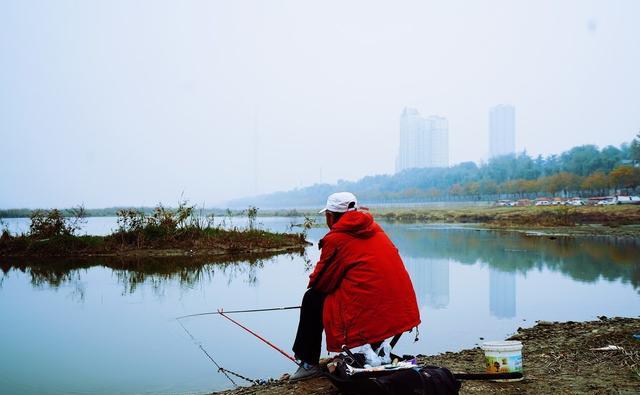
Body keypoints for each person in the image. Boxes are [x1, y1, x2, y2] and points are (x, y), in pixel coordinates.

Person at [290, 192, 421, 381]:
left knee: (312, 298)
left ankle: (308, 363)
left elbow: (320, 283)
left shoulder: (336, 239)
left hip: (375, 309)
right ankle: (375, 350)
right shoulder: (375, 228)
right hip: (402, 308)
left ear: (330, 216)